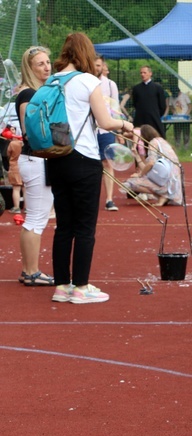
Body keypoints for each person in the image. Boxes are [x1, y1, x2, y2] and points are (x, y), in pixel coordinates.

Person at [46, 32, 136, 304]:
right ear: (86, 53)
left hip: (56, 157)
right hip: (83, 157)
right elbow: (106, 122)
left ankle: (61, 286)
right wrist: (126, 125)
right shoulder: (88, 81)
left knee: (64, 226)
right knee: (85, 227)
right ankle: (81, 286)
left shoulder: (51, 80)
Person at [13, 45, 55, 286]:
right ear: (30, 68)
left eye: (48, 62)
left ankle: (30, 270)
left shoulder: (36, 92)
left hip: (38, 159)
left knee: (37, 218)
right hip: (35, 159)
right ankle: (31, 271)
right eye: (40, 63)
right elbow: (30, 131)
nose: (47, 66)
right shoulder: (29, 94)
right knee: (36, 219)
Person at [124, 124, 183, 206]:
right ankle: (164, 195)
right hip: (172, 178)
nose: (140, 138)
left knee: (129, 183)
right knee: (143, 176)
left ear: (145, 135)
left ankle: (162, 195)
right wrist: (137, 156)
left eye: (141, 136)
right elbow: (148, 168)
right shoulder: (161, 141)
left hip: (165, 178)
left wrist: (139, 174)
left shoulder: (152, 143)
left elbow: (151, 163)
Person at [95, 54, 120, 212]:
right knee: (91, 166)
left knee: (107, 163)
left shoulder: (110, 85)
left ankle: (109, 199)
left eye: (99, 65)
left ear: (103, 66)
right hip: (89, 132)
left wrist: (118, 132)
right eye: (94, 65)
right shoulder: (85, 82)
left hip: (106, 130)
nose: (97, 68)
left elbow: (115, 110)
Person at [131, 65, 167, 138]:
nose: (142, 74)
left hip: (153, 119)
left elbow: (162, 105)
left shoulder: (158, 88)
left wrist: (155, 114)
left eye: (144, 72)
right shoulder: (136, 88)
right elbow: (135, 103)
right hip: (140, 119)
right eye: (141, 73)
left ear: (150, 73)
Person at [169, 85, 192, 149]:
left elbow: (190, 106)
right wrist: (174, 113)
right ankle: (177, 147)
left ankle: (186, 147)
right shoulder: (171, 97)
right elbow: (171, 107)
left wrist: (186, 114)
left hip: (185, 117)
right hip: (176, 118)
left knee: (186, 134)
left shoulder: (184, 96)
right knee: (177, 133)